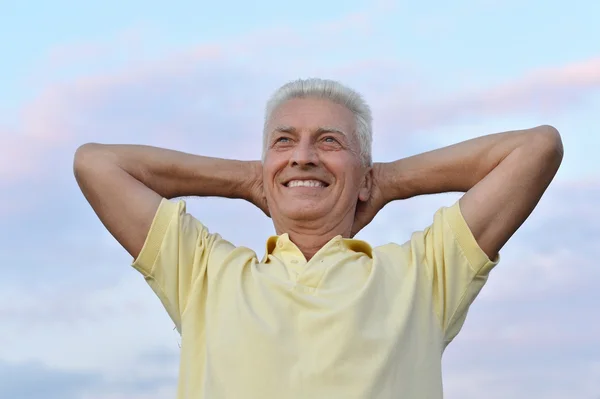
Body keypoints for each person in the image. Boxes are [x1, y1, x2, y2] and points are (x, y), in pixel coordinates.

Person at [73, 78, 563, 399]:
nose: (303, 156)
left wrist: (385, 181)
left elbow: (536, 147)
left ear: (363, 172)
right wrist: (249, 180)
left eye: (329, 141)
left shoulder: (425, 273)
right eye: (283, 141)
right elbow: (97, 164)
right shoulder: (202, 272)